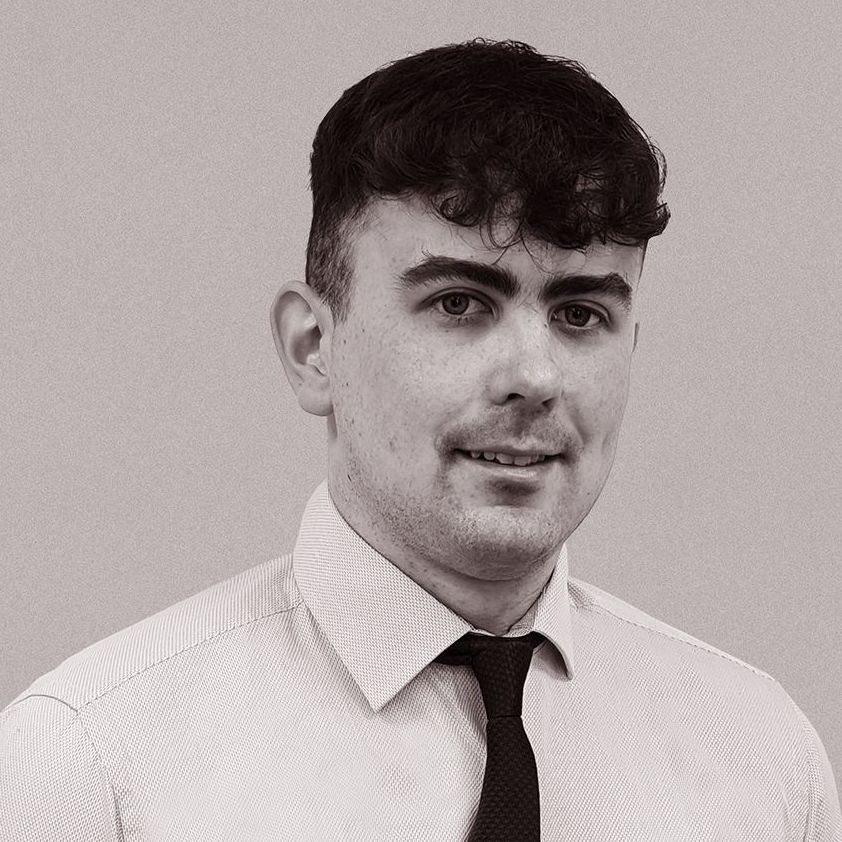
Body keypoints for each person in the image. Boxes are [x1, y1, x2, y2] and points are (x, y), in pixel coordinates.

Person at [1, 37, 839, 841]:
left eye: (582, 314)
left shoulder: (762, 760)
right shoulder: (93, 768)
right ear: (312, 347)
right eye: (459, 304)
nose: (534, 376)